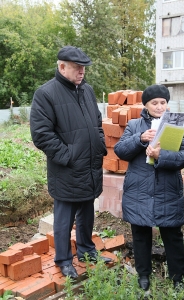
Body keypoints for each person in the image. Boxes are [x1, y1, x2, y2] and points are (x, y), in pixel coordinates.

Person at [30, 45, 112, 278]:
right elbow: (42, 135)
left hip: (89, 165)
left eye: (84, 67)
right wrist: (69, 157)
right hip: (67, 169)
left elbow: (97, 123)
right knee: (64, 217)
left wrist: (98, 147)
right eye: (77, 67)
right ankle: (64, 260)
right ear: (62, 66)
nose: (82, 71)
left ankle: (86, 250)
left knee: (87, 212)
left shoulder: (87, 91)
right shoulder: (46, 94)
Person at [114, 84, 184, 291]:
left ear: (167, 104)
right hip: (139, 189)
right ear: (146, 105)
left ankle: (178, 278)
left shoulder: (176, 125)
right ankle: (144, 276)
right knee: (140, 234)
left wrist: (161, 156)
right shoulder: (135, 125)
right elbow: (120, 151)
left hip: (167, 189)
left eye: (163, 102)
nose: (159, 106)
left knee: (172, 234)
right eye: (154, 103)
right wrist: (140, 139)